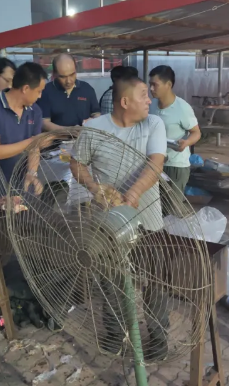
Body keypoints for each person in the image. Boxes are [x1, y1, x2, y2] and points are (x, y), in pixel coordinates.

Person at [70, 75, 168, 360]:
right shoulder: (94, 129)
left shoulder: (153, 124)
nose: (149, 99)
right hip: (110, 223)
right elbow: (77, 164)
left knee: (155, 279)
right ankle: (116, 334)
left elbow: (156, 163)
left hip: (148, 219)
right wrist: (94, 188)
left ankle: (158, 338)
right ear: (125, 102)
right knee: (110, 279)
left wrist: (133, 194)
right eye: (143, 94)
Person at [0, 62, 46, 187]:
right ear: (25, 89)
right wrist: (31, 142)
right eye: (39, 91)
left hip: (23, 183)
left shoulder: (35, 111)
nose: (40, 96)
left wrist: (32, 172)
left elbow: (35, 148)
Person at [148, 65, 200, 194]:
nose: (151, 89)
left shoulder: (182, 108)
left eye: (155, 85)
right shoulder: (151, 105)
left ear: (169, 85)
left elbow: (196, 132)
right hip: (154, 162)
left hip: (174, 165)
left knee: (172, 204)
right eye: (150, 84)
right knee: (154, 204)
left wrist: (187, 142)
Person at [37, 54, 100, 130]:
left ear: (76, 70)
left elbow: (97, 114)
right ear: (54, 74)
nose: (68, 81)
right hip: (57, 137)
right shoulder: (46, 91)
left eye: (72, 75)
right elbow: (44, 123)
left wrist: (92, 121)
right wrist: (67, 131)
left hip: (83, 136)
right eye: (63, 77)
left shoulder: (87, 89)